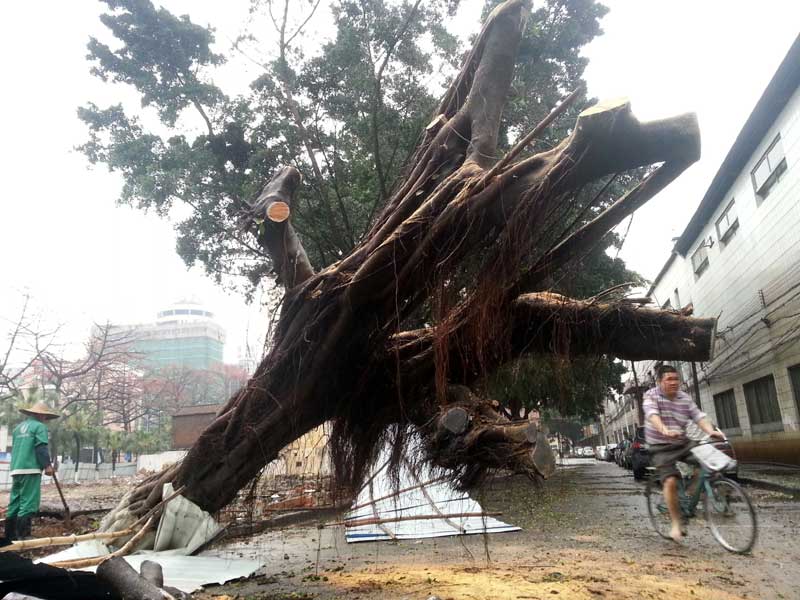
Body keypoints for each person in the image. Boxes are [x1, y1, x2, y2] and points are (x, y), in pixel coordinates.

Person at [643, 365, 723, 542]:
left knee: (710, 465)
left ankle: (687, 498)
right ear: (659, 382)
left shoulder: (684, 398)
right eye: (669, 379)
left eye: (676, 379)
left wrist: (711, 431)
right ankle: (676, 523)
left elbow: (698, 416)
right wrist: (664, 429)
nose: (673, 382)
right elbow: (652, 415)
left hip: (682, 443)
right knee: (670, 480)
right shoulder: (651, 396)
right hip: (660, 446)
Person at [3, 401, 59, 541]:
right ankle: (23, 535)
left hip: (16, 469)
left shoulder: (18, 428)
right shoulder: (40, 427)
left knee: (15, 501)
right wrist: (47, 465)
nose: (46, 419)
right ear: (40, 415)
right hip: (31, 468)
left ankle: (9, 535)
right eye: (45, 416)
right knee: (29, 502)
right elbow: (41, 448)